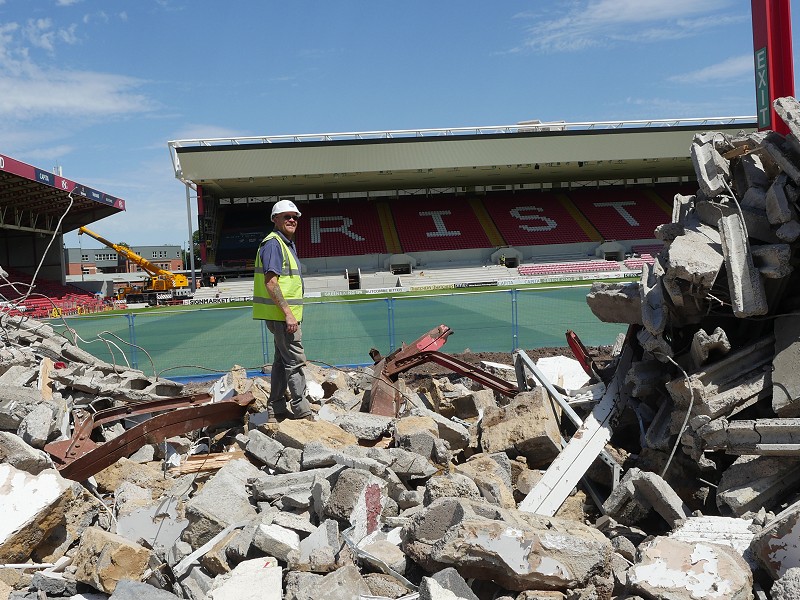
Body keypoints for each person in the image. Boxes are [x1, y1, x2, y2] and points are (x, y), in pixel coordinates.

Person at [253, 199, 313, 422]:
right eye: (286, 216)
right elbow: (271, 283)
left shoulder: (284, 243)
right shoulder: (274, 244)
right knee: (295, 361)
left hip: (284, 315)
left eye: (294, 217)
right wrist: (288, 314)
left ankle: (275, 409)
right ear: (274, 219)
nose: (291, 220)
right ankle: (302, 410)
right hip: (283, 317)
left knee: (280, 361)